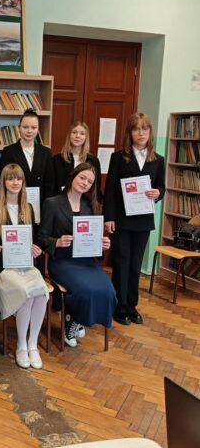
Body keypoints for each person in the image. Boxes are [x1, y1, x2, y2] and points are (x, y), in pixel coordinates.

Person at [37, 163, 116, 347]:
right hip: (62, 261)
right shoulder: (52, 203)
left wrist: (103, 244)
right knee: (85, 291)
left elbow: (93, 238)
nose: (85, 183)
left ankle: (74, 318)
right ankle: (72, 322)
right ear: (73, 176)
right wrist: (57, 242)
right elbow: (41, 237)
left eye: (90, 181)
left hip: (86, 262)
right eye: (82, 178)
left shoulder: (92, 206)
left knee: (108, 291)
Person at [0, 164, 49, 369]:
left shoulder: (28, 208)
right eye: (10, 179)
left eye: (18, 179)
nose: (15, 182)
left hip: (24, 264)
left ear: (23, 182)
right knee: (26, 292)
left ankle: (32, 345)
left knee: (41, 292)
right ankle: (21, 345)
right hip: (2, 267)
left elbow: (30, 239)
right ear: (3, 182)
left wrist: (34, 248)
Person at [104, 113, 165, 326]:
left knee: (135, 264)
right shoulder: (118, 158)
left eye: (145, 129)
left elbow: (161, 187)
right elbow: (110, 190)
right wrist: (109, 218)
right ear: (130, 133)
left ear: (150, 132)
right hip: (121, 220)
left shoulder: (158, 160)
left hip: (143, 221)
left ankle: (132, 306)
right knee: (121, 262)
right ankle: (120, 307)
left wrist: (158, 193)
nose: (141, 133)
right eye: (136, 129)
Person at [0, 110, 54, 205]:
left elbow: (50, 184)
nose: (29, 131)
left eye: (33, 127)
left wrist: (47, 206)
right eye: (25, 127)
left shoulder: (45, 152)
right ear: (19, 128)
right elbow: (2, 180)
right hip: (15, 203)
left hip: (40, 204)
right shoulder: (8, 151)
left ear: (38, 129)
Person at [53, 121, 103, 200]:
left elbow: (96, 187)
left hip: (86, 203)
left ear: (86, 137)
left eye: (82, 133)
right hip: (61, 202)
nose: (77, 136)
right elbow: (52, 186)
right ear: (69, 135)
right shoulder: (57, 159)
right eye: (74, 132)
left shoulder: (93, 161)